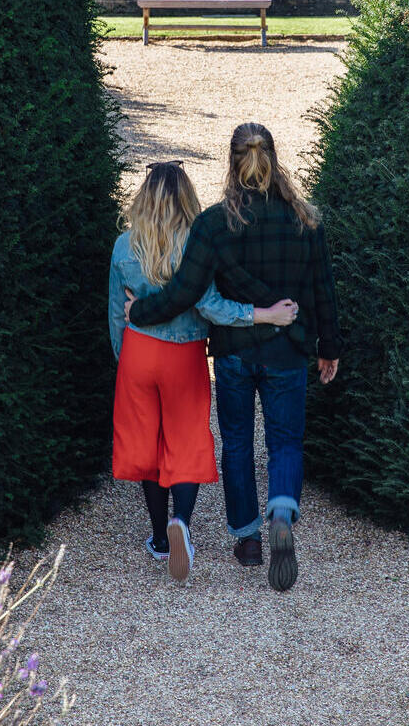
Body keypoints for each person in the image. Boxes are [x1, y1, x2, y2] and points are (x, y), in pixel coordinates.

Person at [127, 125, 340, 593]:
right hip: (287, 353)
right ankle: (281, 510)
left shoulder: (214, 223)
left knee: (238, 443)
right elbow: (324, 290)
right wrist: (329, 349)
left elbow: (184, 293)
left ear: (232, 163)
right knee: (286, 441)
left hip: (234, 353)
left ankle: (246, 539)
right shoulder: (305, 221)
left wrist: (137, 312)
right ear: (274, 160)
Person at [108, 160, 301, 582]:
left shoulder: (124, 245)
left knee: (148, 444)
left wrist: (126, 361)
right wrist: (263, 314)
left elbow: (115, 317)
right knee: (186, 440)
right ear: (186, 200)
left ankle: (160, 539)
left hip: (139, 354)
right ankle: (183, 525)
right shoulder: (194, 246)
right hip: (183, 355)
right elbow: (211, 306)